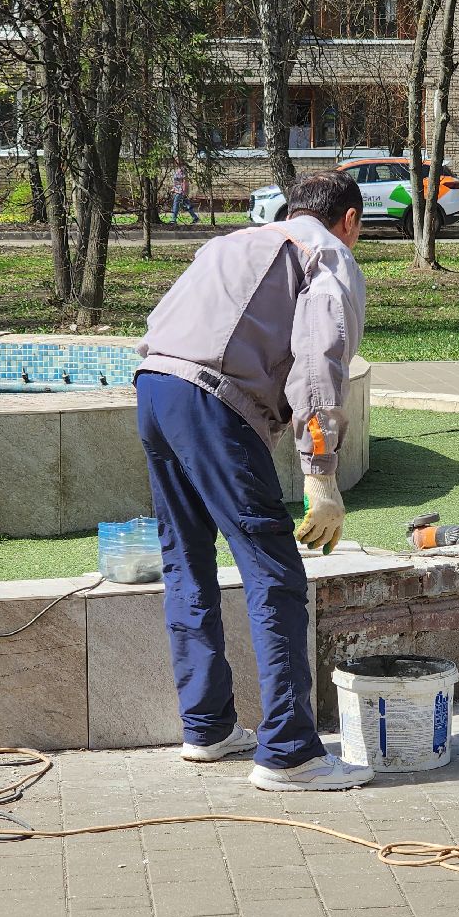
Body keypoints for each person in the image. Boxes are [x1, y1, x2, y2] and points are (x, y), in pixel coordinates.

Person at [135, 169, 372, 791]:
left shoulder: (231, 242)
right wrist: (321, 476)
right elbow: (321, 363)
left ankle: (208, 728)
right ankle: (290, 753)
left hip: (155, 389)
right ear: (348, 220)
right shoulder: (328, 256)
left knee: (186, 559)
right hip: (214, 402)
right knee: (275, 570)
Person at [169, 160, 199, 225]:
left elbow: (184, 182)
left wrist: (184, 191)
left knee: (175, 204)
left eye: (177, 162)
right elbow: (177, 182)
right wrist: (173, 189)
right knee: (187, 204)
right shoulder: (178, 170)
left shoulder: (182, 170)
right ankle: (195, 217)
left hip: (180, 191)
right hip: (178, 190)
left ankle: (173, 219)